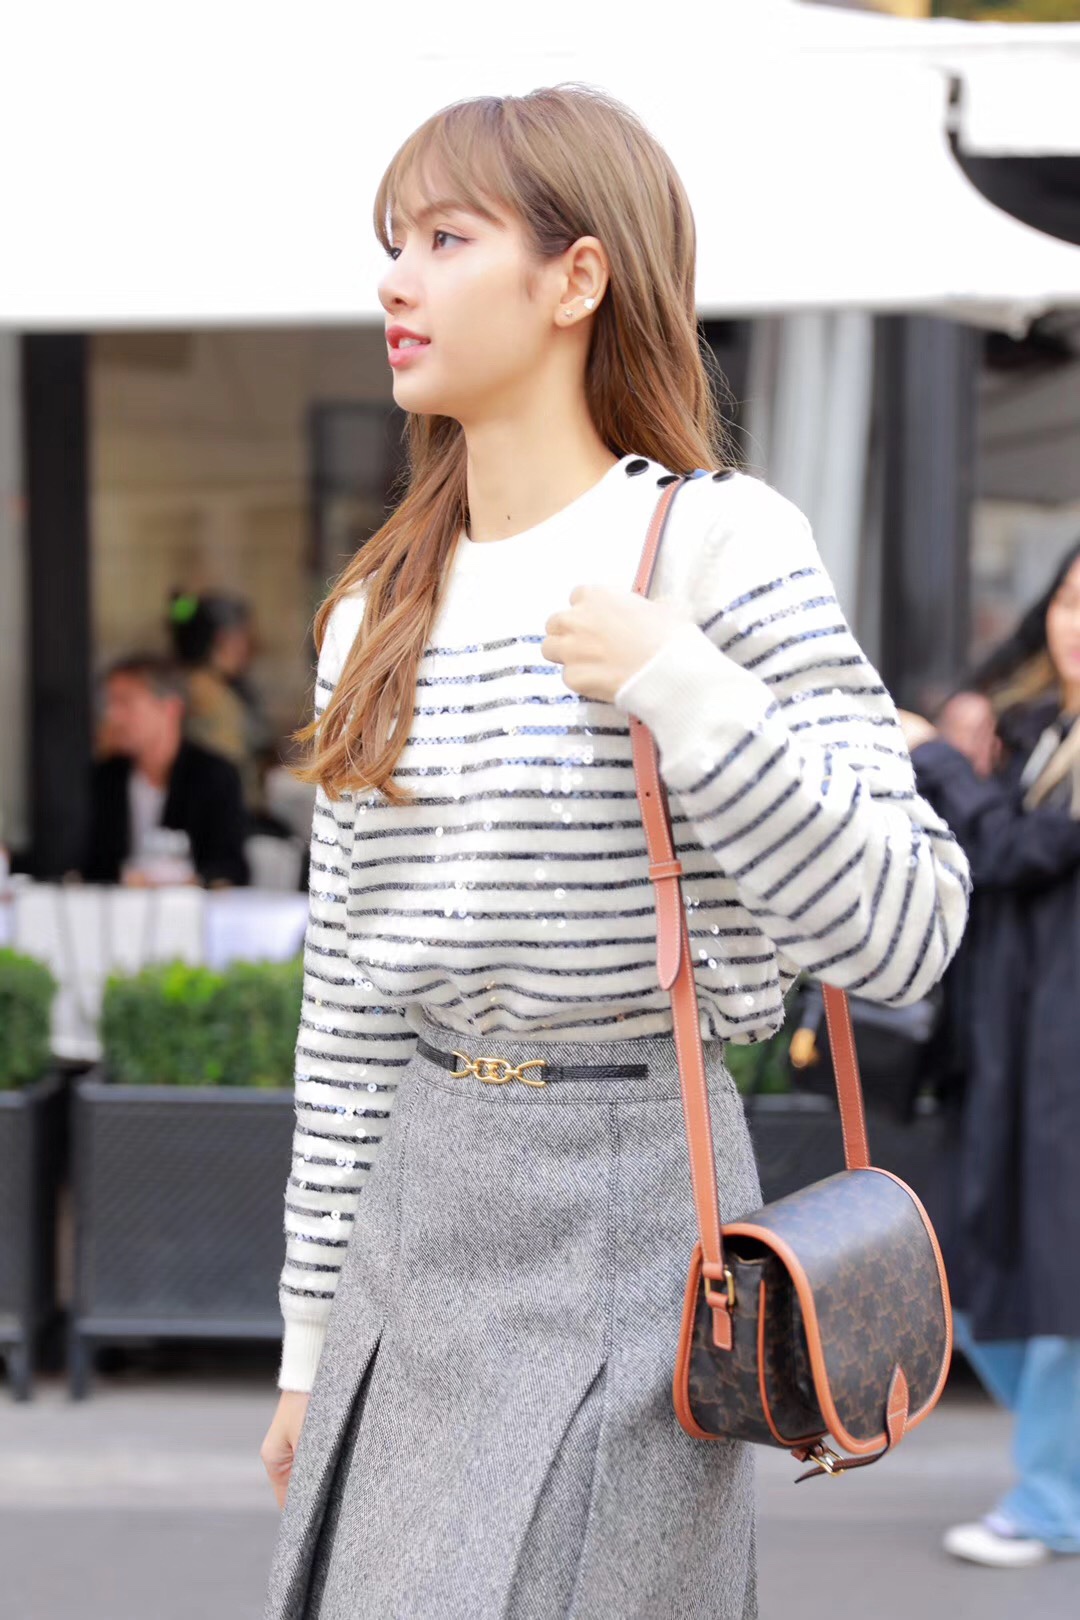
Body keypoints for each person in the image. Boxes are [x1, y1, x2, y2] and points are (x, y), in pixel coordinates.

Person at [258, 86, 970, 1620]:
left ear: (577, 277)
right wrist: (310, 1342)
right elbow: (352, 1009)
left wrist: (686, 689)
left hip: (634, 1208)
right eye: (394, 241)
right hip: (414, 1225)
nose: (396, 279)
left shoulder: (716, 545)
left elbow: (908, 926)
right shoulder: (374, 615)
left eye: (447, 239)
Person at [901, 541, 1080, 1568]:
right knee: (982, 1274)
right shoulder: (1044, 731)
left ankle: (1054, 1500)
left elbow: (1012, 850)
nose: (1075, 623)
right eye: (1069, 600)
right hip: (1015, 1048)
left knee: (1056, 1280)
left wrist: (933, 757)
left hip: (1061, 1057)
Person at [82, 654, 249, 888]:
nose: (113, 716)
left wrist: (186, 881)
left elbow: (230, 866)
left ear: (170, 708)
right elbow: (83, 862)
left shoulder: (214, 777)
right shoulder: (105, 777)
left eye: (125, 703)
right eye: (110, 704)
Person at [168, 590, 269, 816]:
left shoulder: (209, 685)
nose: (249, 648)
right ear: (222, 639)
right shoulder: (206, 693)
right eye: (244, 638)